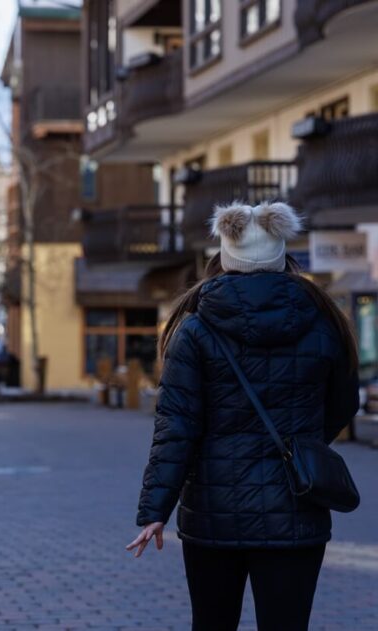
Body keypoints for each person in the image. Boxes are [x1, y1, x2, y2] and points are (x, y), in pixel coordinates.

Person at [126, 202, 359, 631]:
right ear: (282, 256)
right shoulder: (325, 323)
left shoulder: (194, 329)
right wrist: (302, 446)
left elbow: (176, 427)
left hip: (213, 513)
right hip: (297, 509)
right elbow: (344, 405)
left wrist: (154, 510)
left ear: (225, 257)